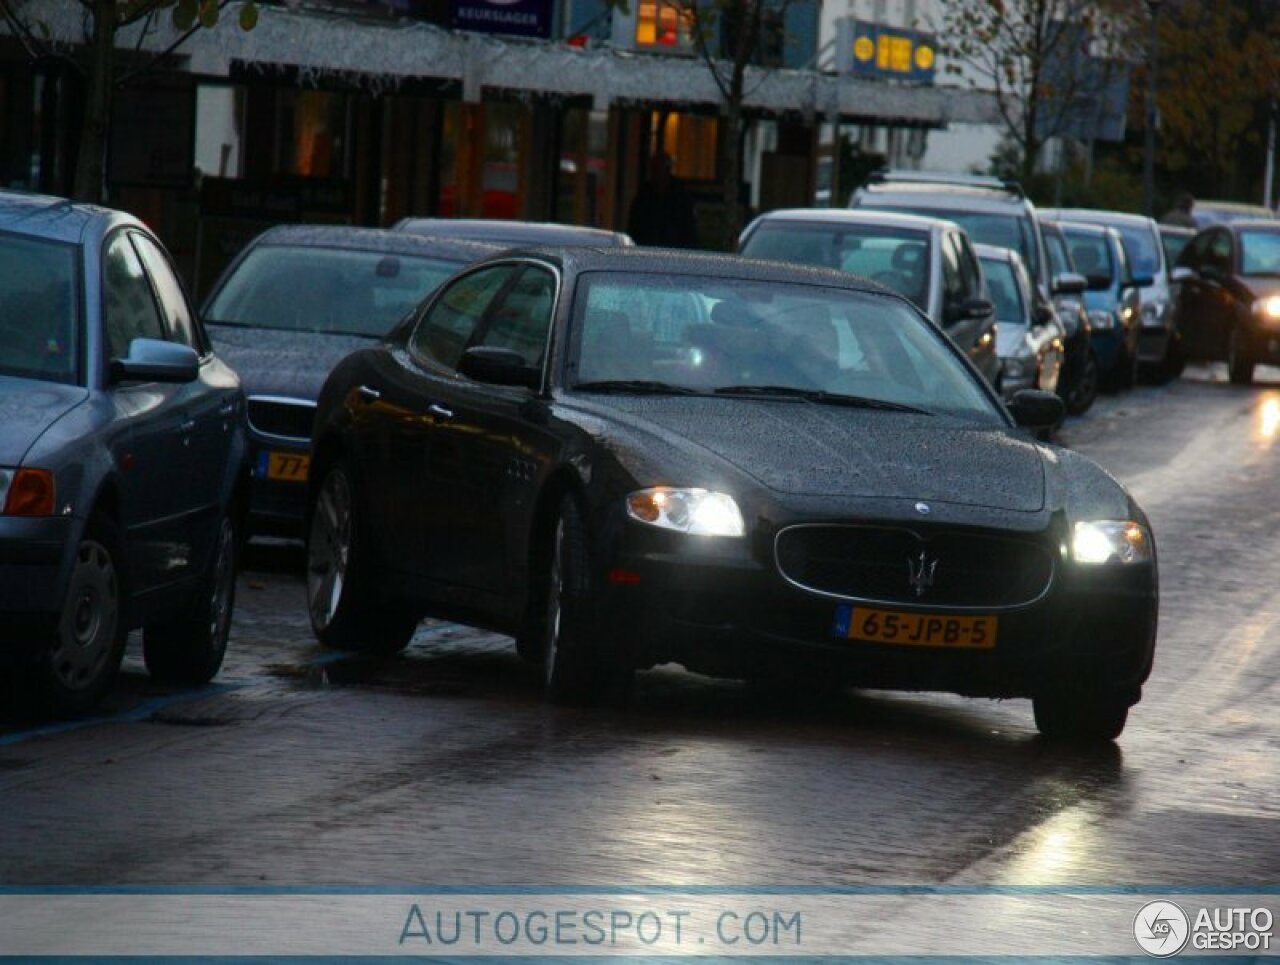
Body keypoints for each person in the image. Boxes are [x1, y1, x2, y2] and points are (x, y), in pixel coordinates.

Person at [627, 151, 698, 248]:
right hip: (646, 248)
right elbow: (635, 225)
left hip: (674, 250)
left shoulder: (680, 196)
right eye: (654, 169)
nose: (656, 174)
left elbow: (688, 228)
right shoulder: (644, 195)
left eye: (659, 169)